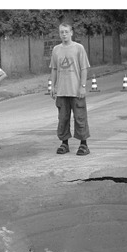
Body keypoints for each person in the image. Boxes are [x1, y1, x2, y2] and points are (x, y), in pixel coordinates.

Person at [50, 22, 91, 156]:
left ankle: (83, 144)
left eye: (66, 32)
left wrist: (82, 86)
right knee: (63, 118)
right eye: (61, 32)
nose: (64, 34)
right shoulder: (56, 49)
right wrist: (52, 86)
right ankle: (64, 143)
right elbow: (54, 69)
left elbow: (84, 68)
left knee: (80, 117)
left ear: (71, 33)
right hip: (62, 91)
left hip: (76, 90)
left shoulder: (78, 48)